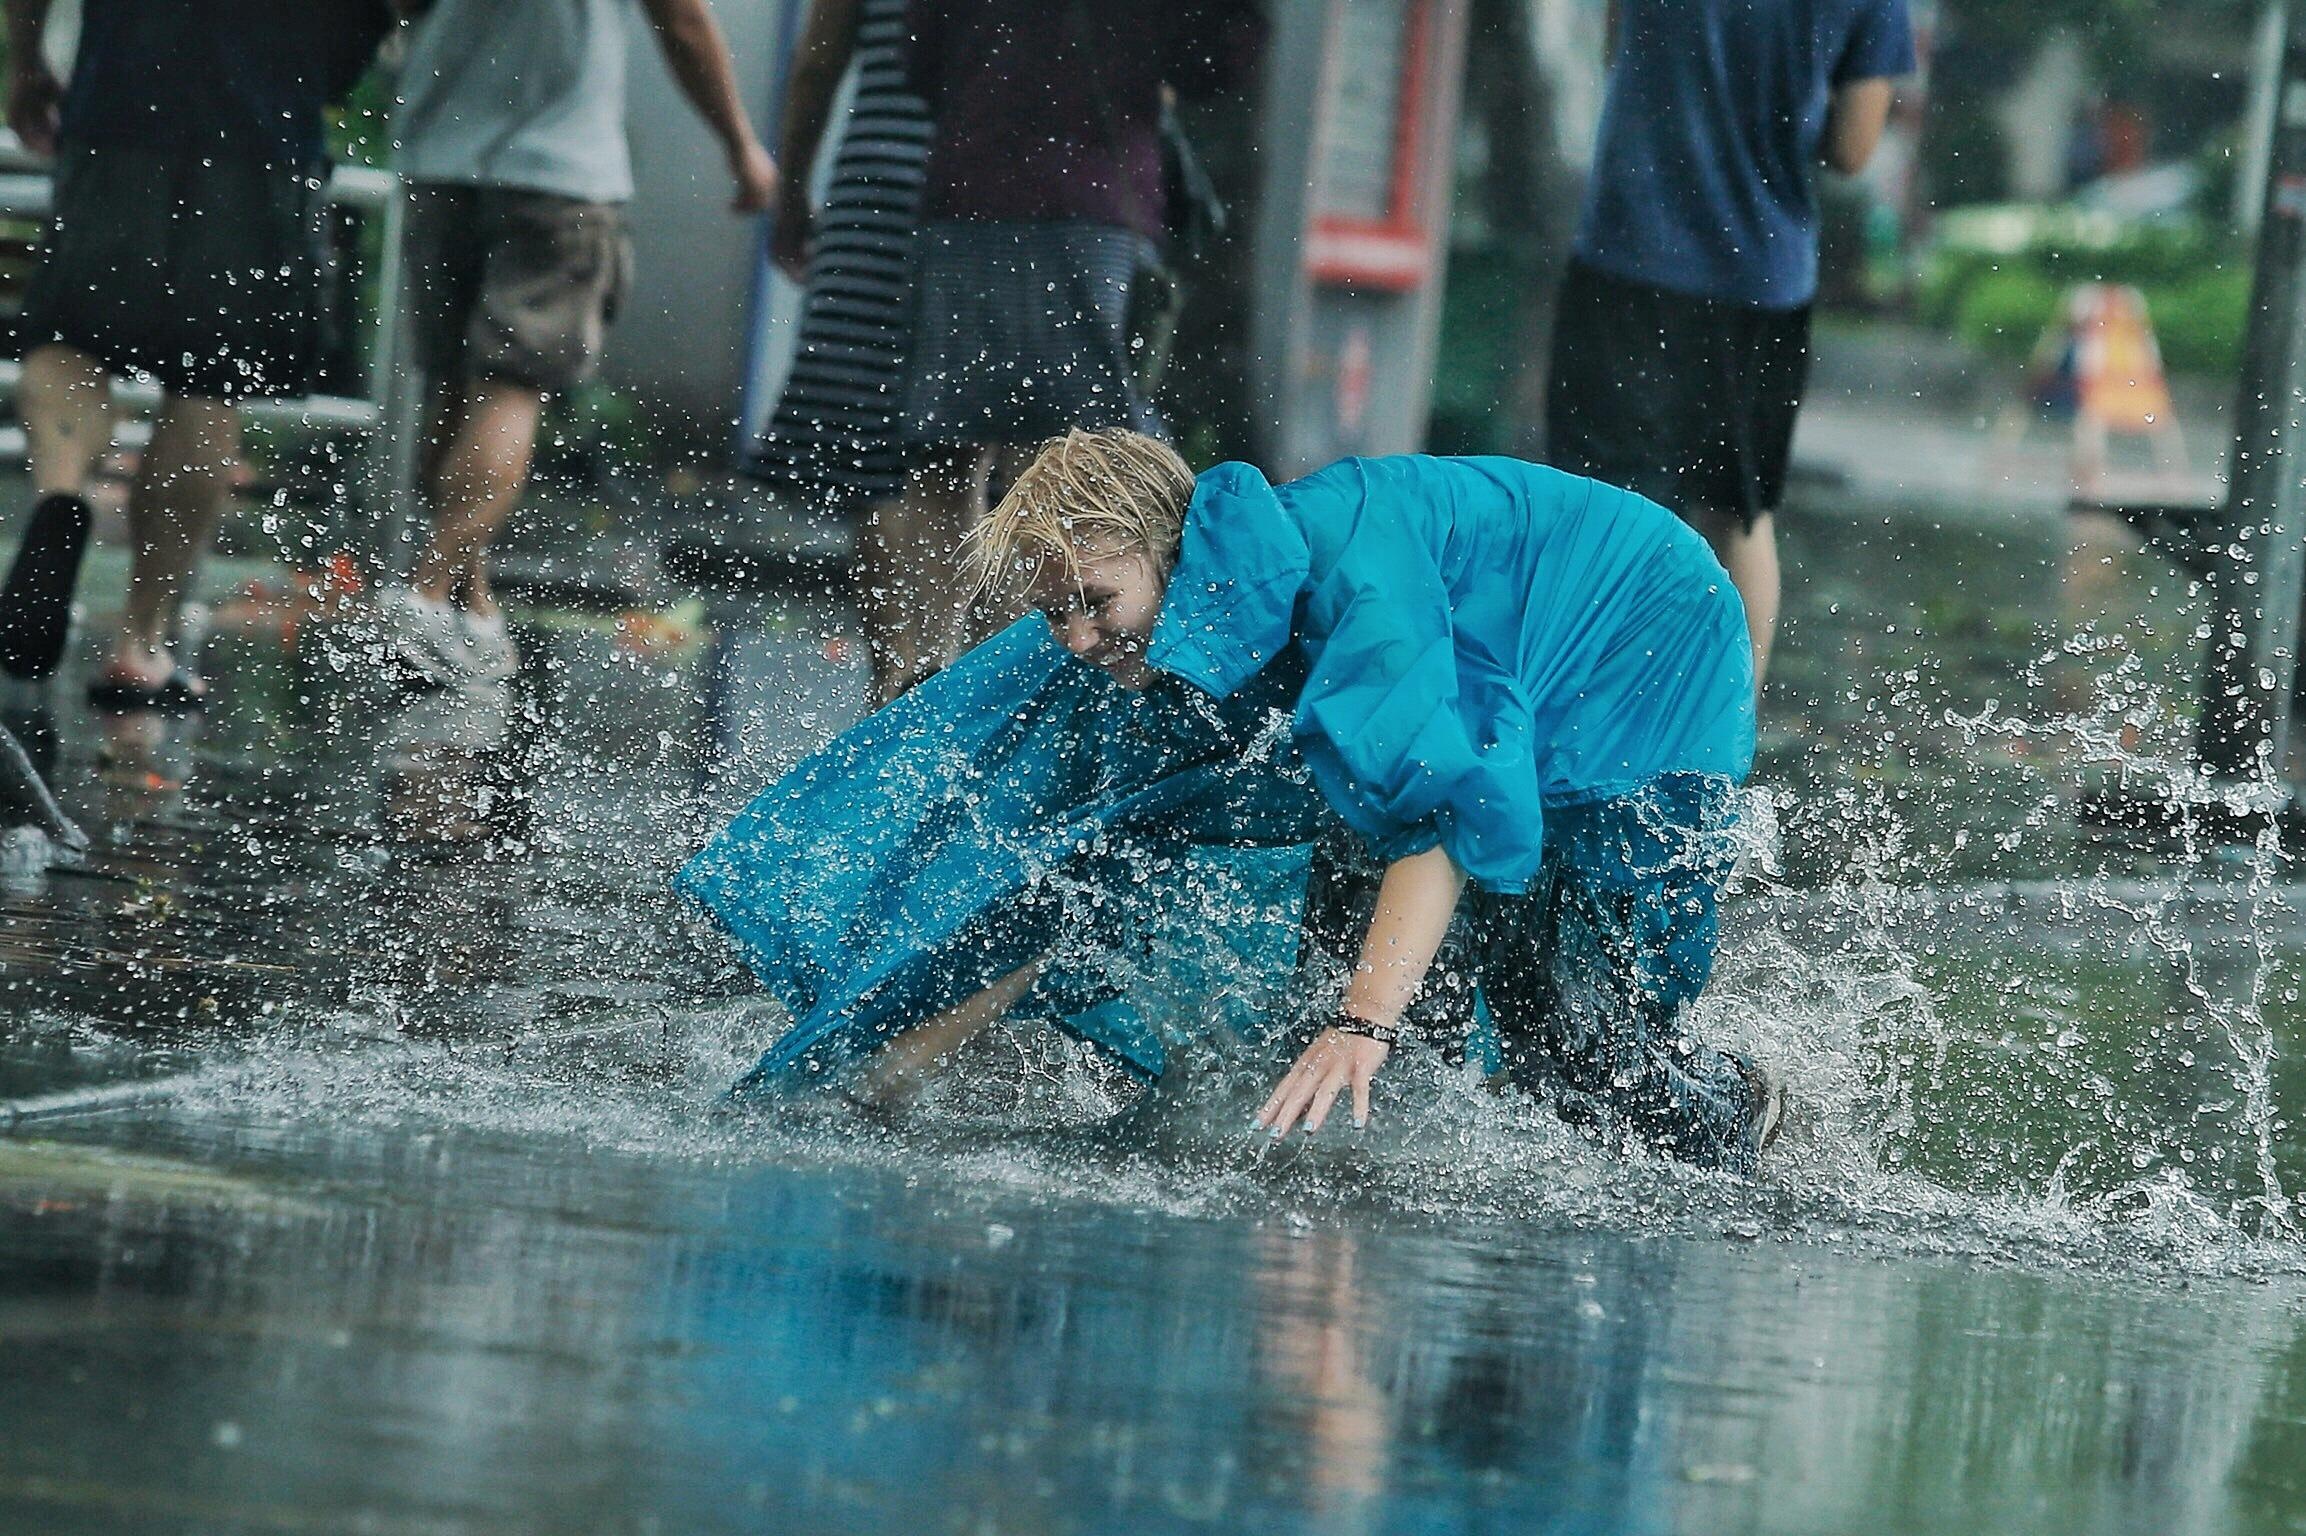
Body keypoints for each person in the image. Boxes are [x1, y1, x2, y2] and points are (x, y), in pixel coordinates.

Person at [679, 430, 1781, 1174]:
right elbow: (1071, 862)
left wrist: (1363, 1022)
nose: (1073, 640)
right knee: (1361, 980)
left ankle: (1743, 1108)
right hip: (1492, 667)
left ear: (1169, 550)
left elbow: (1447, 807)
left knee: (1564, 1040)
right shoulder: (1200, 605)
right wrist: (888, 1077)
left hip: (1640, 643)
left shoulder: (1348, 586)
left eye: (1092, 603)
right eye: (1051, 612)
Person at [852, 0, 1261, 706]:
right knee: (1075, 461)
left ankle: (933, 681)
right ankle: (1023, 687)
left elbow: (916, 59)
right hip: (1092, 205)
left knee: (947, 458)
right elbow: (1217, 57)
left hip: (968, 196)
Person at [0, 0, 394, 707]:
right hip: (261, 122)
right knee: (208, 378)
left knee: (68, 335)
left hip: (117, 104)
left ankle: (60, 494)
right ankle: (140, 645)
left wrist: (28, 62)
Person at [379, 0, 778, 686]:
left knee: (454, 383)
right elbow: (681, 19)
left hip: (440, 154)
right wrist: (740, 144)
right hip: (558, 169)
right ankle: (424, 591)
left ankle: (470, 613)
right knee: (509, 387)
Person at [1545, 0, 1915, 685]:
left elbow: (1613, 48)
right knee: (1737, 514)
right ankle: (1725, 742)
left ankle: (1579, 715)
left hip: (1630, 252)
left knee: (1596, 504)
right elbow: (1854, 150)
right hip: (1760, 274)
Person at [743, 0, 934, 707]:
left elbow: (818, 59)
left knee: (873, 454)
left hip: (875, 193)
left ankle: (892, 678)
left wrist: (791, 190)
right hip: (1006, 205)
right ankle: (960, 682)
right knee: (978, 444)